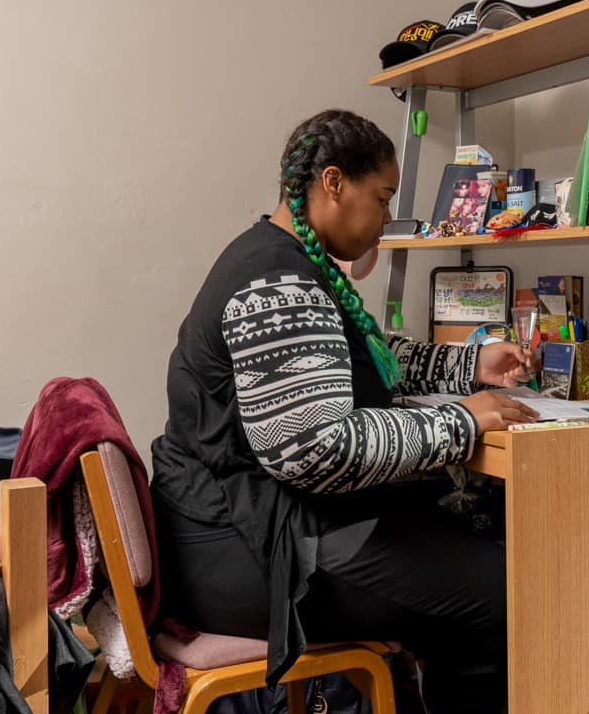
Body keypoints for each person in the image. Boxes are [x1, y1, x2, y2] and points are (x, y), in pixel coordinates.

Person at [149, 109, 538, 714]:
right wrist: (460, 422)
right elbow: (313, 447)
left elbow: (361, 357)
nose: (387, 216)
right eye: (382, 198)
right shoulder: (274, 282)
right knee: (499, 592)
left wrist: (471, 367)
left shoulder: (289, 262)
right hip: (245, 551)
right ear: (333, 184)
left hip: (250, 530)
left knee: (466, 549)